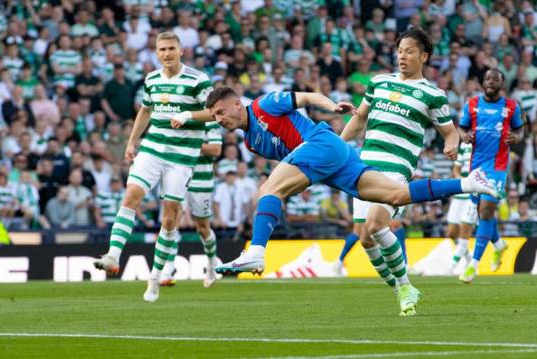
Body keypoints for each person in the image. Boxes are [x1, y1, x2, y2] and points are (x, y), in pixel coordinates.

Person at [176, 85, 496, 317]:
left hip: (322, 144)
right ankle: (470, 182)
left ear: (235, 104)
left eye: (219, 112)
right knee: (395, 194)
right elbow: (292, 163)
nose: (217, 119)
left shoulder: (263, 105)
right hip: (329, 162)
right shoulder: (250, 142)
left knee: (267, 192)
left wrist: (330, 106)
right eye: (213, 115)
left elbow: (306, 97)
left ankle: (257, 253)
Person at [340, 27, 461, 315]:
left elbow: (449, 132)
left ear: (424, 56)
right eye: (399, 50)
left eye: (409, 51)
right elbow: (359, 120)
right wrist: (334, 146)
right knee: (365, 237)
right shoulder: (379, 82)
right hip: (362, 166)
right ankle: (400, 289)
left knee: (376, 222)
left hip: (396, 168)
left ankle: (405, 285)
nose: (402, 56)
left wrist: (451, 144)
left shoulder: (433, 94)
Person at [93, 32, 213, 303]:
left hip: (182, 156)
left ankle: (155, 277)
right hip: (153, 148)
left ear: (181, 51)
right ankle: (113, 254)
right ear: (157, 53)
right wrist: (132, 141)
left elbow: (214, 112)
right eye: (162, 49)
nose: (167, 53)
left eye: (171, 48)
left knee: (170, 217)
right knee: (131, 195)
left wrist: (187, 115)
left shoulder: (198, 80)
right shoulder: (151, 79)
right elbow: (145, 111)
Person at [458, 68, 524, 283]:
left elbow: (521, 131)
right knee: (481, 212)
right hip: (476, 166)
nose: (490, 82)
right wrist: (464, 136)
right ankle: (498, 244)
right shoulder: (472, 104)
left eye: (495, 80)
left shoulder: (511, 107)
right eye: (487, 79)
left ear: (501, 83)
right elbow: (461, 128)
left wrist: (517, 137)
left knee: (486, 212)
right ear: (483, 82)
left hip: (498, 166)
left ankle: (473, 265)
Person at [160, 121, 223, 288]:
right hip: (177, 176)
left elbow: (216, 150)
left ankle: (211, 265)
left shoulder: (211, 123)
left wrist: (190, 142)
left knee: (202, 228)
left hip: (201, 180)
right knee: (170, 221)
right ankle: (168, 269)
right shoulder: (177, 119)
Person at [446, 142, 477, 274]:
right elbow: (456, 170)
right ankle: (469, 260)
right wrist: (462, 182)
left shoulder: (482, 145)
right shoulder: (463, 146)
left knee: (465, 230)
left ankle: (450, 268)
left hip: (474, 193)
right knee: (452, 233)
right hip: (460, 193)